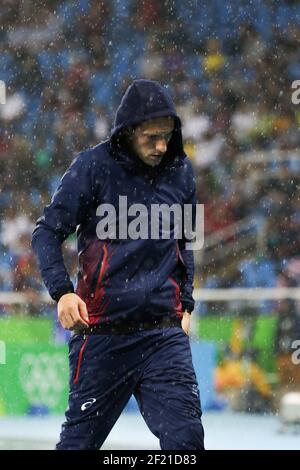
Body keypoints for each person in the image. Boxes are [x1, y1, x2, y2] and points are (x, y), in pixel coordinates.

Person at [32, 79, 205, 450]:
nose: (162, 146)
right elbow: (46, 232)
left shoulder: (182, 171)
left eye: (168, 135)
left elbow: (185, 242)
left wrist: (186, 304)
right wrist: (62, 293)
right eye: (151, 137)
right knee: (77, 445)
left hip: (163, 337)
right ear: (127, 132)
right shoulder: (93, 167)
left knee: (187, 442)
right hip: (101, 336)